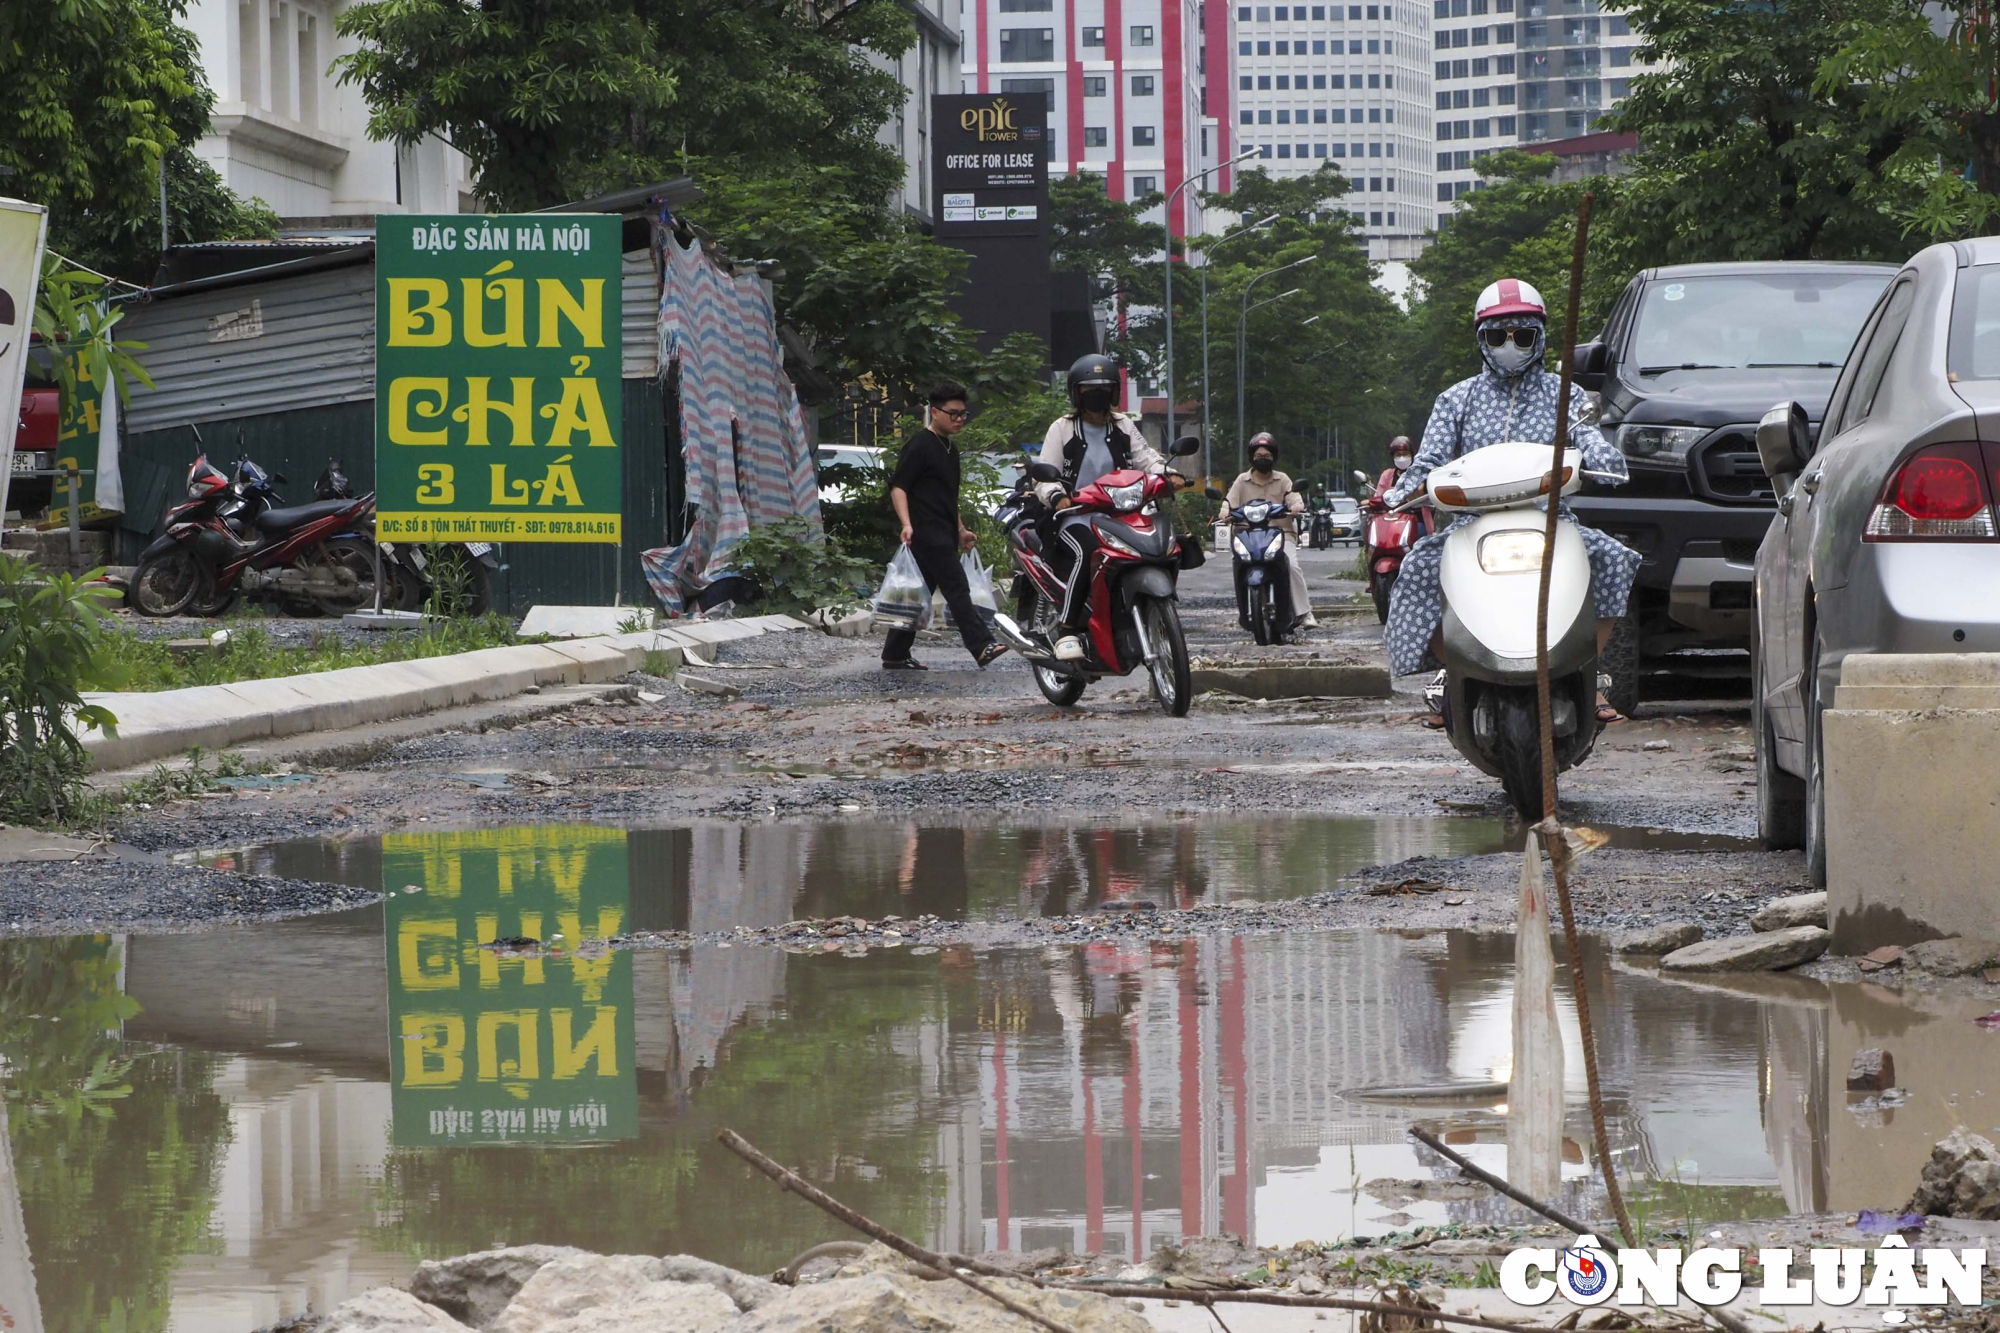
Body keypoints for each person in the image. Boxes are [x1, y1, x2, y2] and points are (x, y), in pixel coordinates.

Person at [1368, 278, 1640, 725]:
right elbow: (1430, 459)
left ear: (1541, 338)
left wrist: (1605, 460)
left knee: (1613, 557)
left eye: (1522, 335)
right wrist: (1400, 493)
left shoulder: (1565, 395)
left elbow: (1587, 436)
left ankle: (1587, 673)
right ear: (1482, 341)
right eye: (1497, 336)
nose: (1508, 345)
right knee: (1416, 567)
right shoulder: (1456, 399)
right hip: (1469, 524)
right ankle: (1451, 672)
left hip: (1550, 522)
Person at [1033, 352, 1173, 662]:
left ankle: (1141, 611)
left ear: (1114, 392)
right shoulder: (1063, 428)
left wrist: (1167, 472)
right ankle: (1068, 629)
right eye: (1088, 389)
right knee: (1089, 553)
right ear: (1076, 394)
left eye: (1104, 388)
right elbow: (1045, 473)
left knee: (1157, 547)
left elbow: (1146, 458)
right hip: (1074, 516)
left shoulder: (1123, 424)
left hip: (1120, 514)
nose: (1097, 395)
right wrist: (1057, 496)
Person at [881, 382, 1011, 671]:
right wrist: (906, 524)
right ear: (935, 412)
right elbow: (899, 487)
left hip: (944, 530)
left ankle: (895, 655)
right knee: (957, 587)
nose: (959, 420)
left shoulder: (950, 449)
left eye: (963, 414)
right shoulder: (919, 444)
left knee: (918, 595)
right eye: (953, 414)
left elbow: (948, 497)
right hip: (925, 531)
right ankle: (981, 645)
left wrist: (961, 529)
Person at [1219, 432, 1317, 637]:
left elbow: (1294, 498)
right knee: (1238, 564)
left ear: (1274, 457)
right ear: (1251, 457)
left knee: (1291, 565)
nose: (1262, 458)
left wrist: (1297, 506)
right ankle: (1245, 611)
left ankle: (1304, 612)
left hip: (1281, 535)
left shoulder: (1283, 479)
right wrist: (1225, 511)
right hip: (1247, 536)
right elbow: (1229, 502)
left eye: (1267, 455)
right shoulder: (1241, 480)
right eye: (1259, 455)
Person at [1373, 435, 1434, 538]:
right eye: (1398, 455)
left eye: (1405, 454)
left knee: (1420, 531)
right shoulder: (1387, 475)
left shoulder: (1421, 474)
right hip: (1391, 519)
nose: (1402, 458)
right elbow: (1379, 496)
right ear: (1393, 457)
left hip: (1417, 520)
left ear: (1412, 455)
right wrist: (1372, 503)